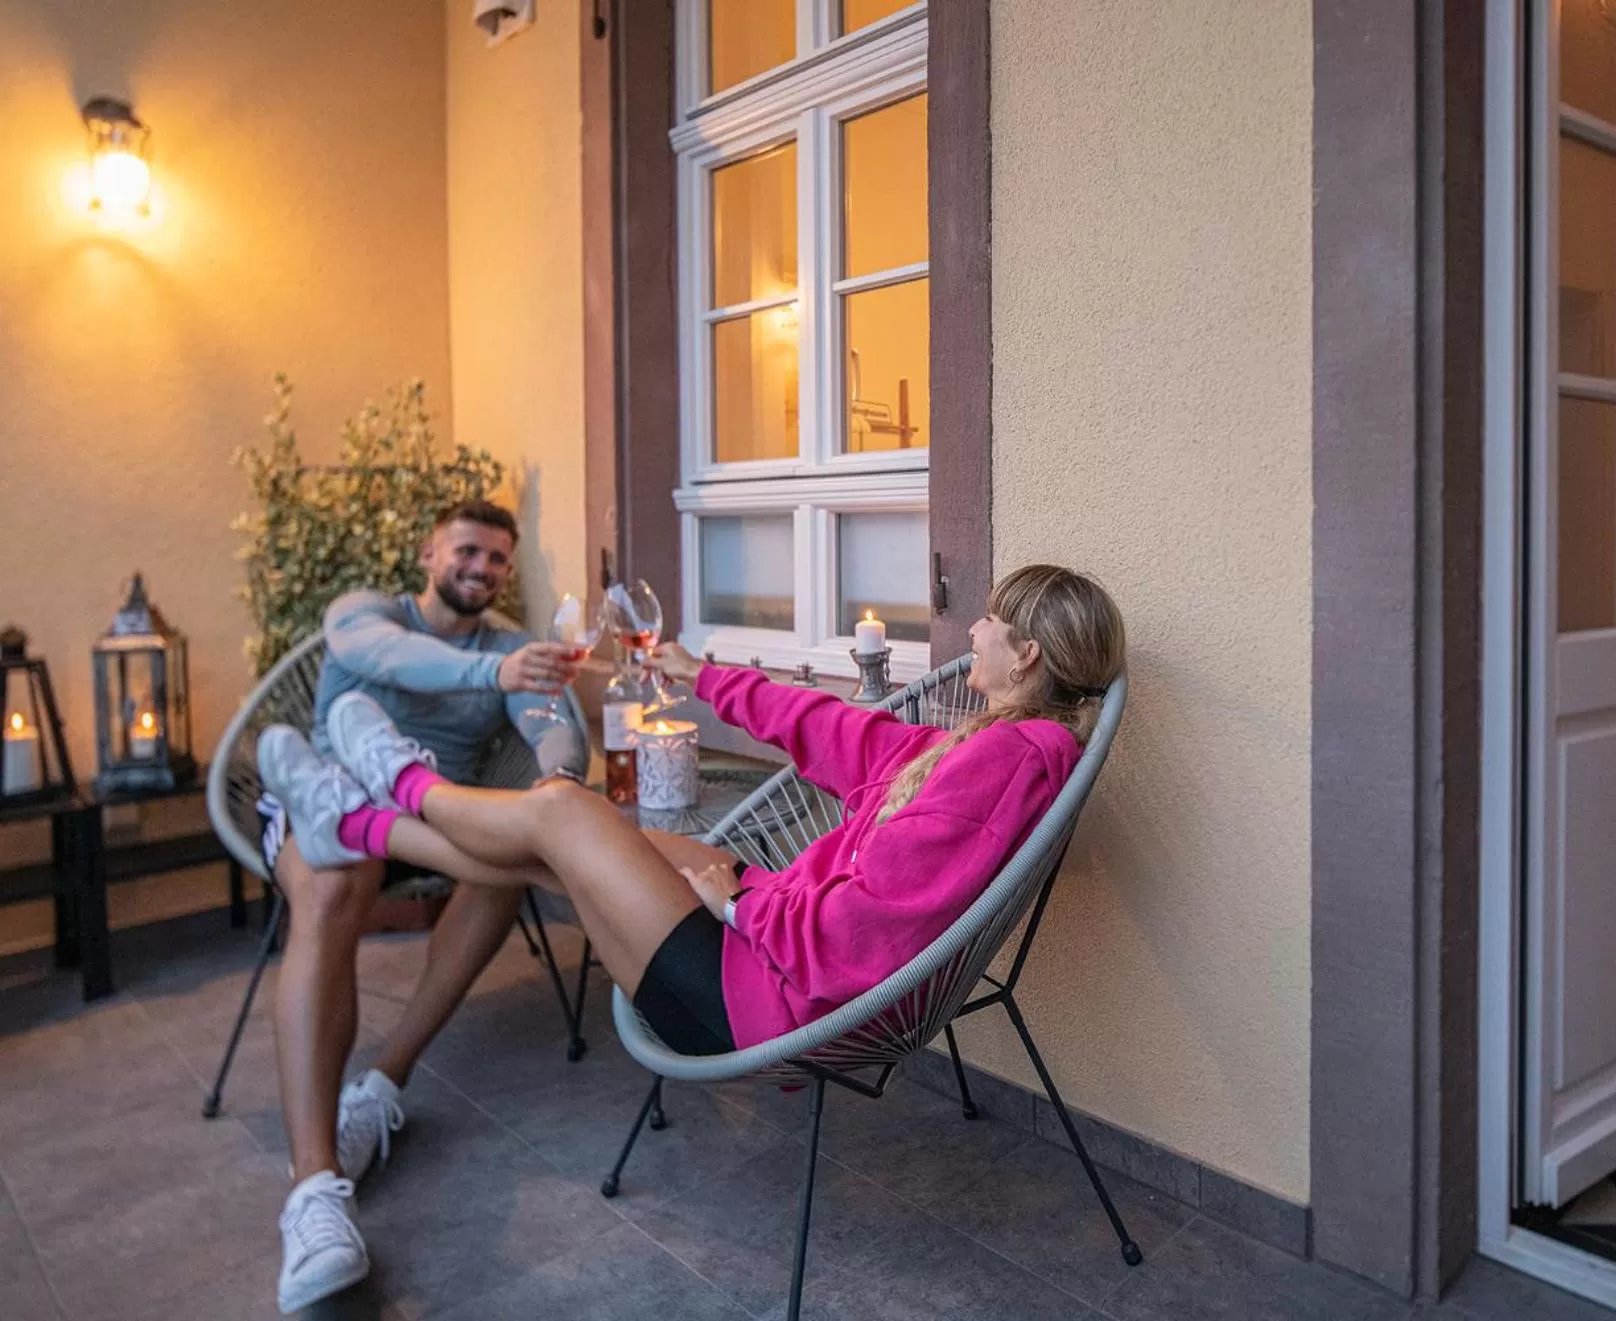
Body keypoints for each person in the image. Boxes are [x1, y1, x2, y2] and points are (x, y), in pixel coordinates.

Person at [254, 563, 1124, 1309]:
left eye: (992, 620)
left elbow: (858, 933)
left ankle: (394, 784)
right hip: (770, 972)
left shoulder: (1002, 761)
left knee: (561, 811)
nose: (972, 626)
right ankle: (358, 825)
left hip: (765, 1004)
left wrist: (744, 895)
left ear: (1029, 654)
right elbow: (843, 733)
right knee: (571, 849)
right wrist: (701, 675)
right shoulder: (990, 745)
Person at [262, 499, 587, 1314]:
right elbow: (391, 656)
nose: (482, 569)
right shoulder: (365, 615)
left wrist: (558, 780)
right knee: (337, 878)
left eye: (497, 559)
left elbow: (552, 724)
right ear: (429, 551)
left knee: (507, 860)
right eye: (468, 551)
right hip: (322, 798)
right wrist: (494, 675)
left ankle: (378, 1089)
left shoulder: (510, 644)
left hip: (436, 811)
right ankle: (314, 1193)